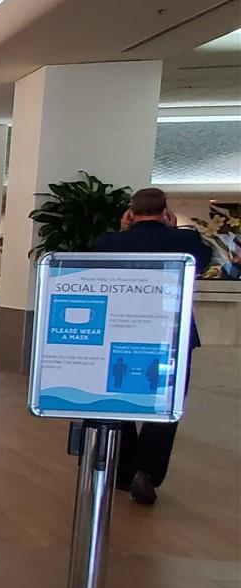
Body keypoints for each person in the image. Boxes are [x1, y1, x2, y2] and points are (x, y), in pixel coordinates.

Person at [91, 187, 213, 506]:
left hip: (122, 330)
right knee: (167, 403)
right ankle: (148, 471)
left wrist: (122, 232)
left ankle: (124, 471)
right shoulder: (186, 241)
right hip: (171, 333)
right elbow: (204, 262)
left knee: (120, 398)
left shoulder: (109, 243)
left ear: (130, 213)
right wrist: (174, 230)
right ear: (166, 212)